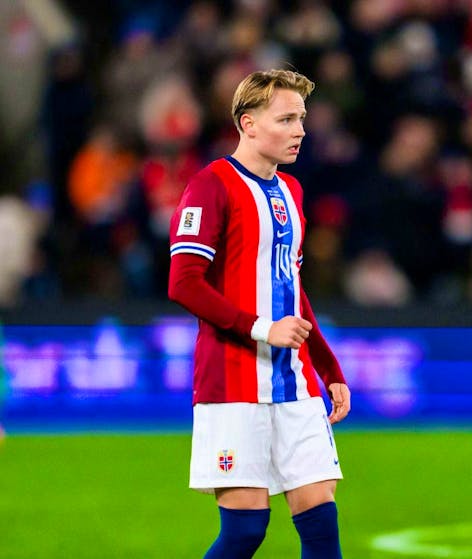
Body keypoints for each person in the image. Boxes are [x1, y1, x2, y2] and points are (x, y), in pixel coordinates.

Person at [168, 69, 351, 559]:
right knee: (246, 531)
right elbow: (183, 282)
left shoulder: (292, 190)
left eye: (302, 119)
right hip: (232, 379)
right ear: (248, 124)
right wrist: (260, 328)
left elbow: (291, 285)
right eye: (286, 119)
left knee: (320, 523)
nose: (300, 131)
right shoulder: (210, 186)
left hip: (295, 382)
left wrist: (327, 365)